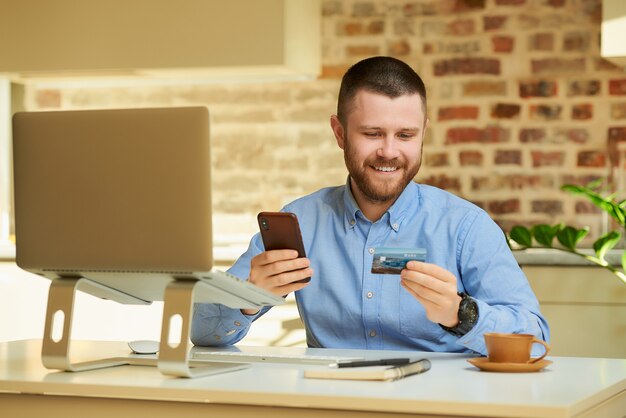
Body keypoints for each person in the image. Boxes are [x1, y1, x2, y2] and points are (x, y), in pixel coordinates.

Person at [191, 56, 549, 355]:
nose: (390, 151)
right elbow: (201, 331)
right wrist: (249, 298)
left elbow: (534, 342)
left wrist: (461, 313)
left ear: (423, 132)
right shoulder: (300, 222)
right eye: (372, 134)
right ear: (339, 132)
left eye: (406, 135)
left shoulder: (466, 226)